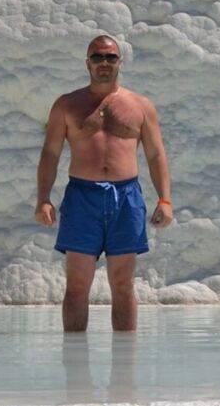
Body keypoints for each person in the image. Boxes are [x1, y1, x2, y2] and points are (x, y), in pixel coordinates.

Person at [35, 35, 173, 331]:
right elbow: (50, 153)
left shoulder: (140, 106)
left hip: (126, 197)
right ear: (88, 63)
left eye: (111, 57)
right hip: (82, 197)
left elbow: (155, 154)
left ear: (120, 62)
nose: (104, 63)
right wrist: (43, 198)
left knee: (123, 284)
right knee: (77, 284)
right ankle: (74, 359)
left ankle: (125, 360)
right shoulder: (67, 105)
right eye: (97, 57)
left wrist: (165, 199)